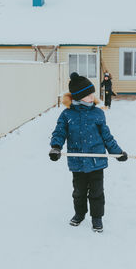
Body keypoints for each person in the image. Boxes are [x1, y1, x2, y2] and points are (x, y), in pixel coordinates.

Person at [49, 72, 128, 233]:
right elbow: (59, 132)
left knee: (97, 192)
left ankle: (97, 217)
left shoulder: (98, 113)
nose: (92, 97)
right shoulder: (67, 114)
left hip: (96, 162)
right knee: (78, 192)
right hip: (77, 162)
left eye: (92, 93)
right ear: (78, 96)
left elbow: (107, 137)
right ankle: (79, 214)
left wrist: (117, 152)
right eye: (88, 95)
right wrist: (56, 147)